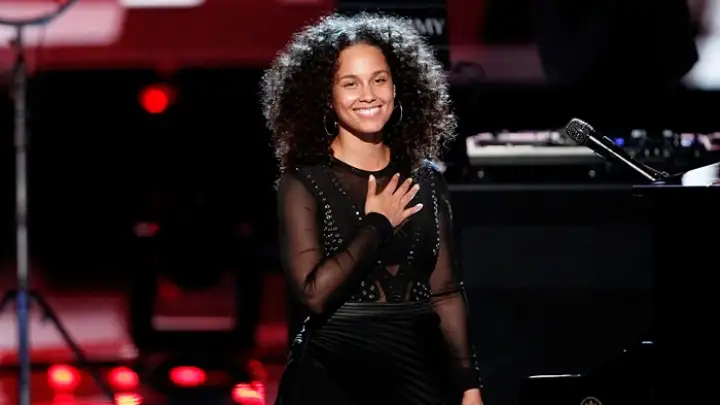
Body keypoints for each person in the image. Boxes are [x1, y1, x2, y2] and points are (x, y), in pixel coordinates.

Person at [260, 12, 483, 405]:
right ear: (327, 96)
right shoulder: (304, 183)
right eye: (351, 83)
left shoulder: (426, 178)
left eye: (379, 80)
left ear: (397, 87)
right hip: (332, 378)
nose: (368, 94)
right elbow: (313, 294)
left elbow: (446, 292)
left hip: (419, 376)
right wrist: (378, 223)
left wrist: (469, 386)